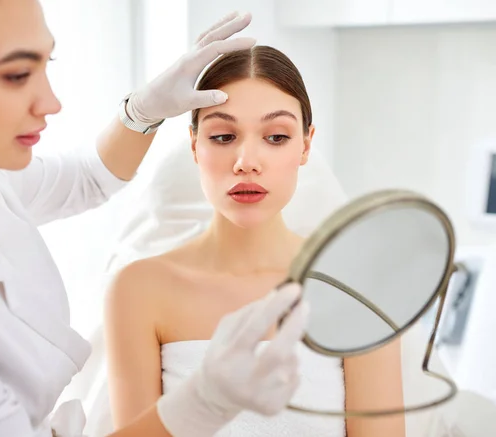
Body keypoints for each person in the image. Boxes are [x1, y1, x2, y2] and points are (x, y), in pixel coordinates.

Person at [0, 1, 311, 436]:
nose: (52, 103)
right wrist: (204, 403)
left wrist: (142, 111)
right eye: (17, 74)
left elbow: (87, 178)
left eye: (46, 63)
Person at [104, 46, 406, 436]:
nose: (246, 160)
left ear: (306, 145)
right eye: (224, 135)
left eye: (276, 136)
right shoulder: (139, 290)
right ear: (195, 145)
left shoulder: (357, 287)